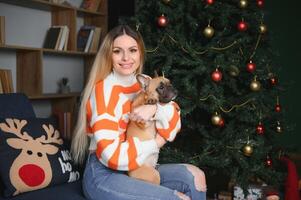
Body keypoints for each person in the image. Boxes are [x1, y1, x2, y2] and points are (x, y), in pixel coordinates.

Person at [71, 24, 207, 200]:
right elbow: (111, 156)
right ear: (108, 55)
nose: (126, 57)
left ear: (140, 53)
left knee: (195, 177)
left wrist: (153, 108)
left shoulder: (146, 83)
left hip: (137, 163)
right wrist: (156, 142)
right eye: (118, 51)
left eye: (132, 50)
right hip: (105, 173)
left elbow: (175, 121)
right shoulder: (103, 92)